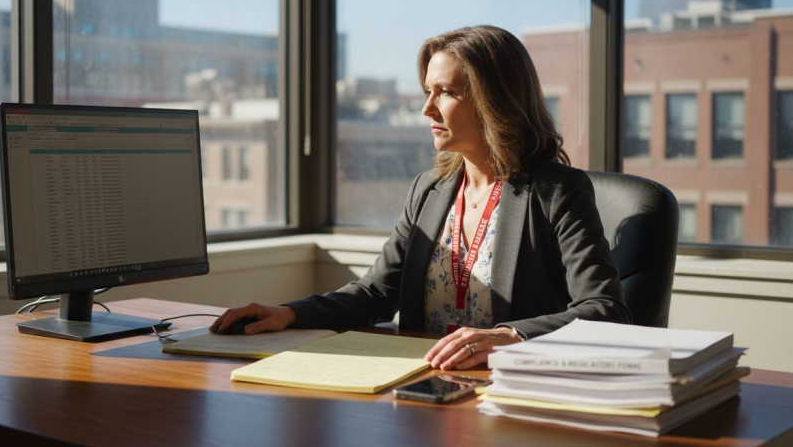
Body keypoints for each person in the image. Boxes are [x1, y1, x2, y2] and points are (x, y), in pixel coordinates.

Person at [211, 25, 631, 370]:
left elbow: (606, 308)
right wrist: (291, 313)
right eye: (427, 91)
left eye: (446, 92)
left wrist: (509, 335)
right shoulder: (429, 190)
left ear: (494, 101)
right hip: (419, 380)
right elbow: (377, 292)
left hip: (503, 389)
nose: (427, 109)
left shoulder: (558, 192)